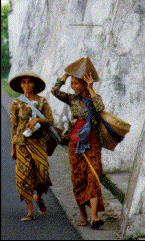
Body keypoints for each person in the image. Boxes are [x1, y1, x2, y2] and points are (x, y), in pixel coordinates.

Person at [51, 57, 105, 229]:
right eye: (72, 83)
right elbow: (54, 90)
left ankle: (94, 216)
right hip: (74, 143)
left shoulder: (94, 98)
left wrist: (91, 88)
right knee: (78, 179)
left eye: (76, 83)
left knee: (94, 176)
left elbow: (100, 108)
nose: (73, 86)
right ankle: (83, 216)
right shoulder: (71, 99)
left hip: (93, 143)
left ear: (84, 83)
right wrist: (67, 74)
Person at [9, 70, 54, 221]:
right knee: (24, 176)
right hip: (22, 144)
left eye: (29, 81)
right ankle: (30, 212)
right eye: (23, 82)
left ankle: (38, 196)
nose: (27, 85)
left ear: (34, 84)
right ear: (20, 85)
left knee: (43, 174)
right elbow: (13, 128)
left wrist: (37, 121)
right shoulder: (16, 103)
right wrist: (13, 148)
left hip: (39, 143)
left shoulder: (42, 102)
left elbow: (50, 120)